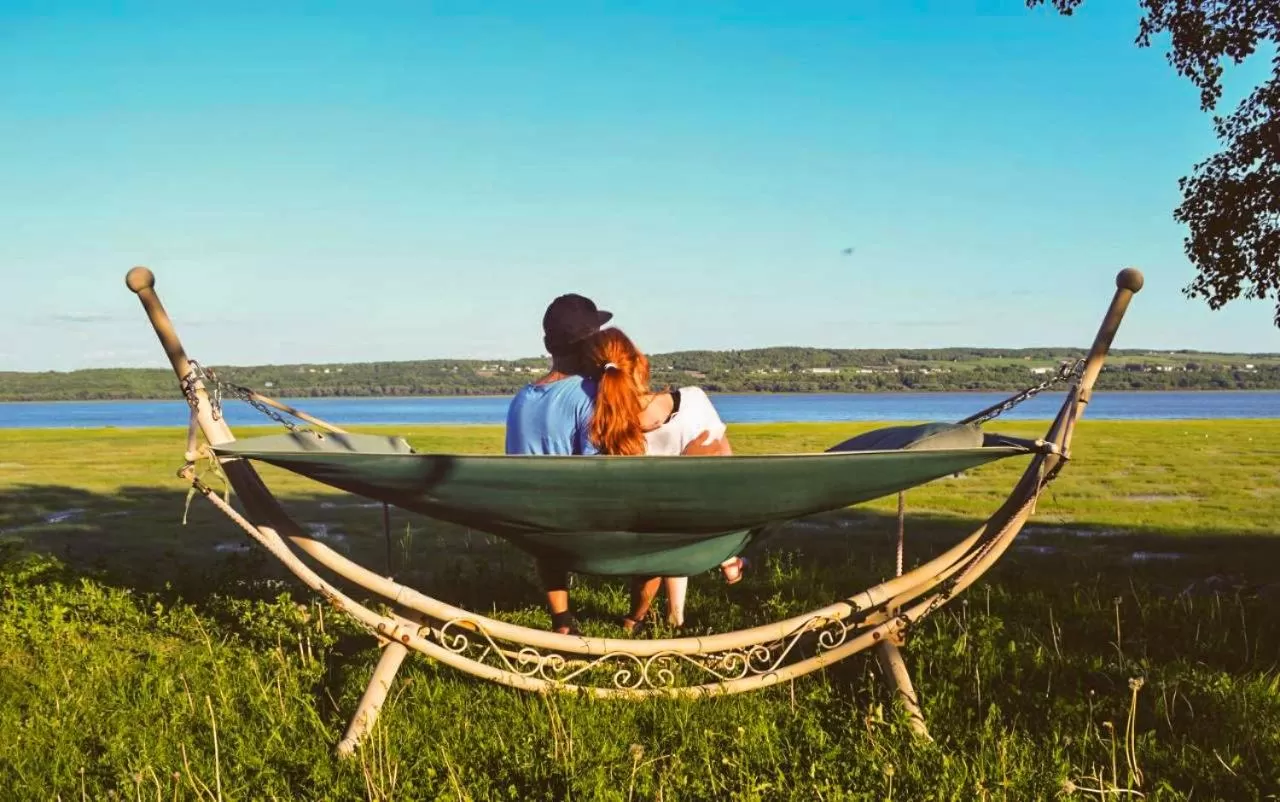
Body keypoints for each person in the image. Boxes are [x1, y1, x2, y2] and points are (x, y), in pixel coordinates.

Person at [586, 327, 747, 634]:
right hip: (700, 524)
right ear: (640, 363)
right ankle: (723, 562)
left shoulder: (609, 429)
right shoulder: (693, 400)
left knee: (667, 519)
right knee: (685, 505)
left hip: (651, 528)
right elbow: (725, 465)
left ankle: (654, 617)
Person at [504, 292, 612, 635]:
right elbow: (599, 475)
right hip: (580, 527)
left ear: (549, 345)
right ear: (590, 344)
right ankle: (638, 618)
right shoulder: (588, 395)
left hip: (533, 527)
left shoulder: (521, 398)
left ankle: (561, 621)